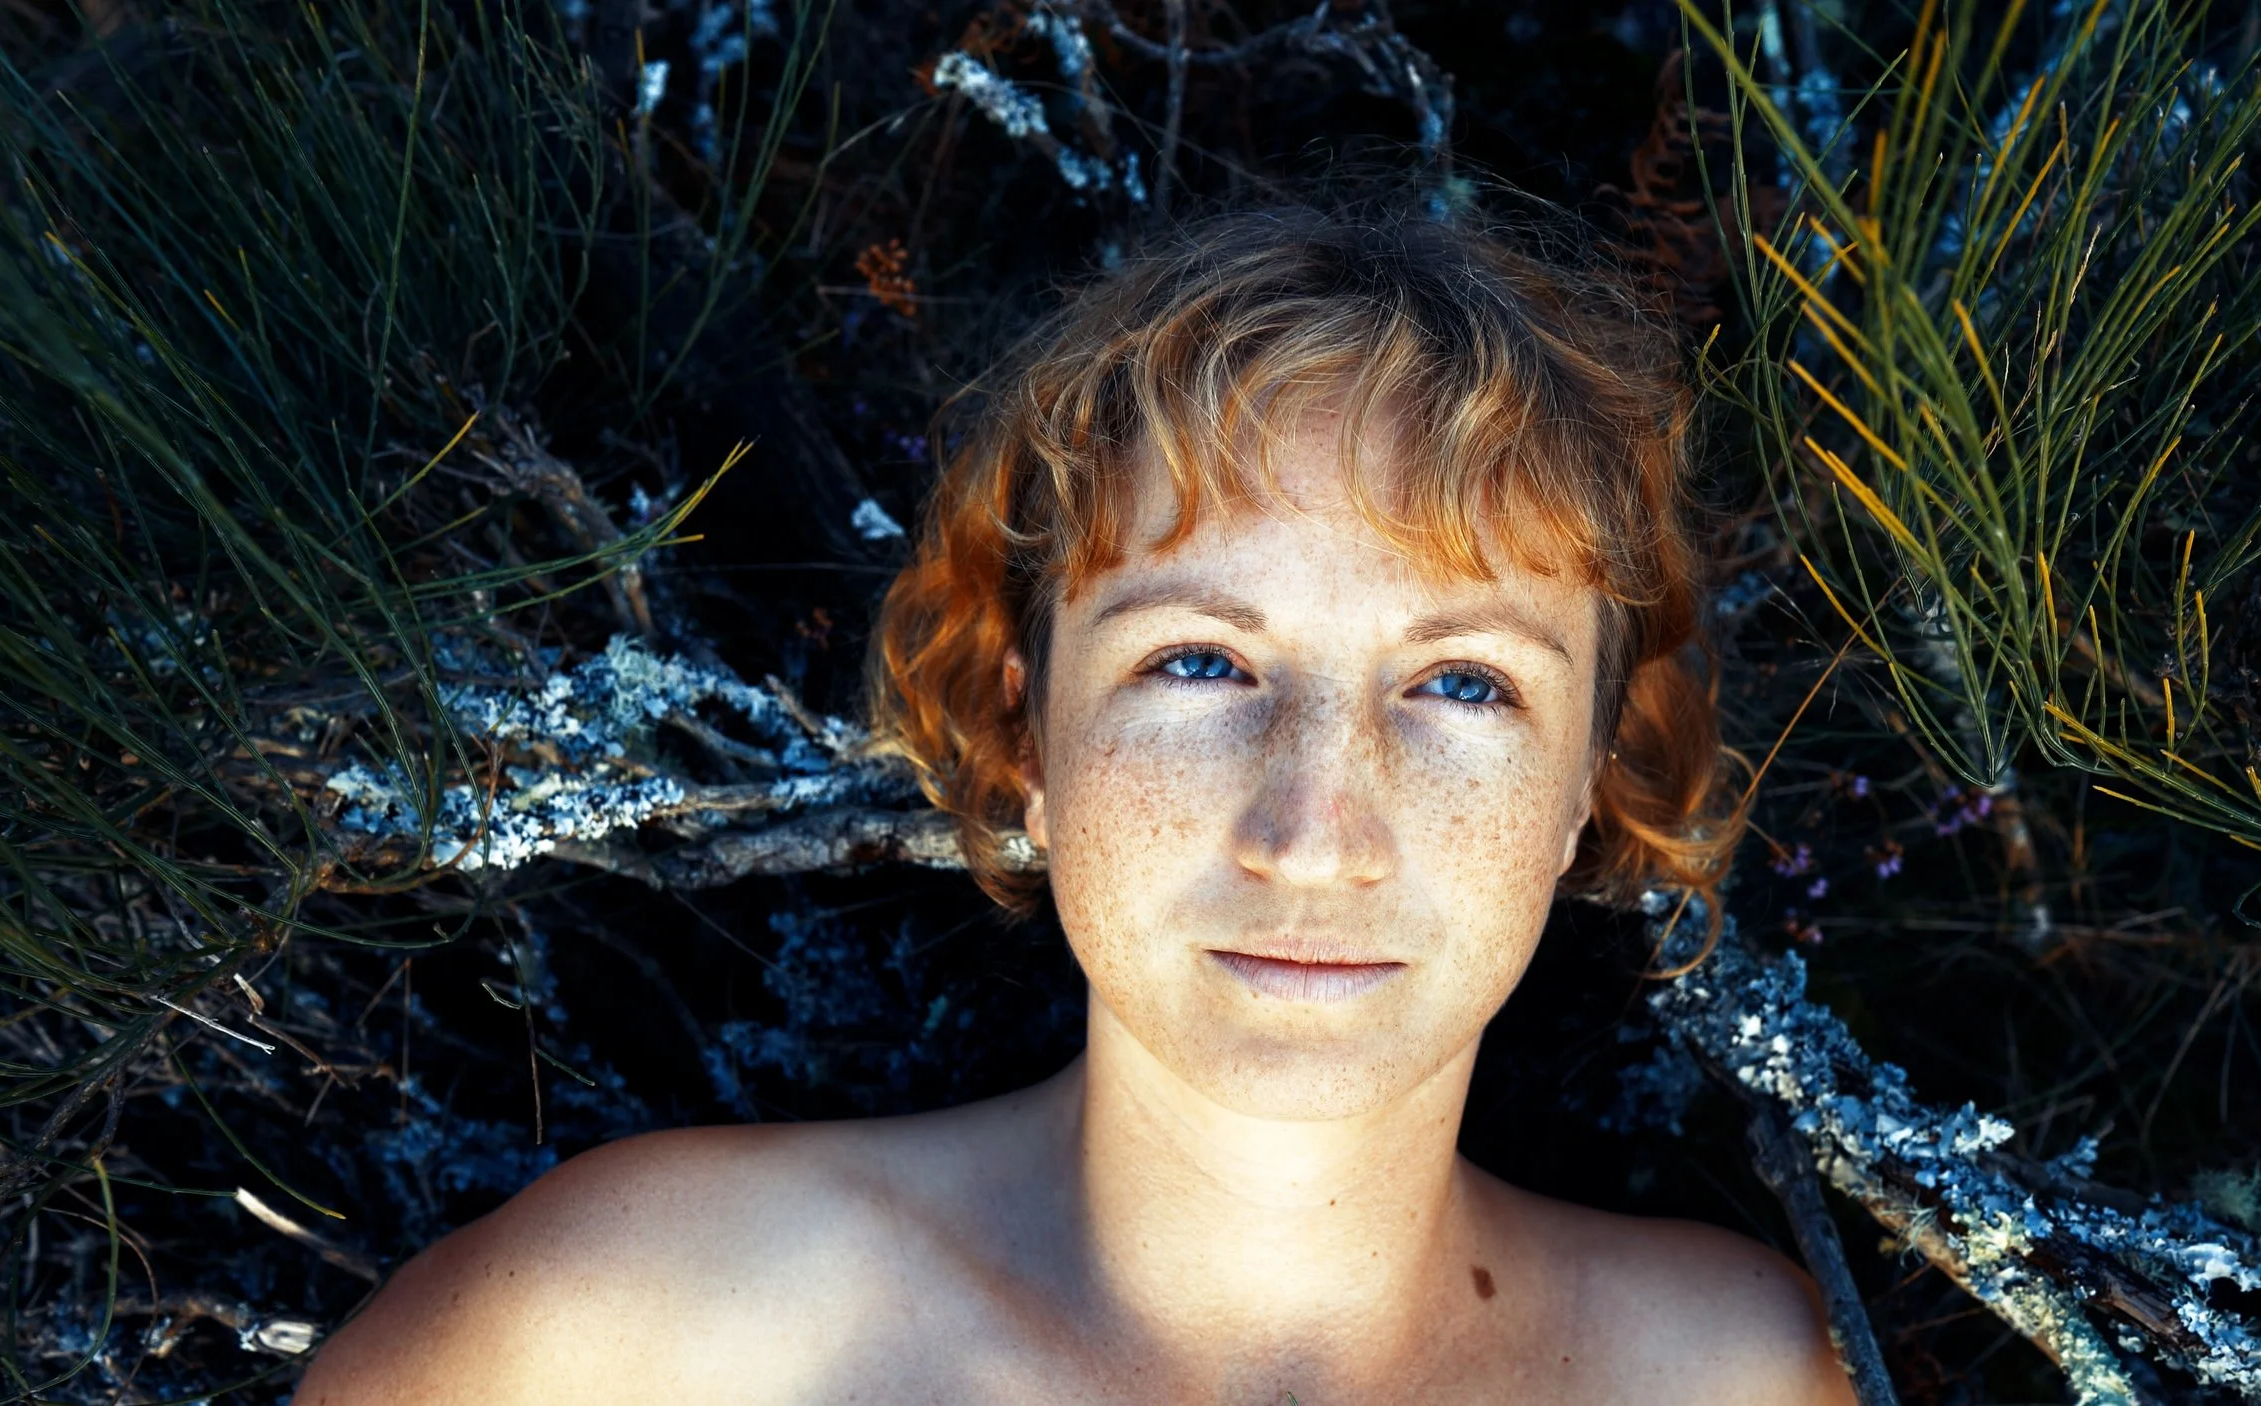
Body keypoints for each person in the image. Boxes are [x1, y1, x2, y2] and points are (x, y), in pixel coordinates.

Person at [296, 205, 1858, 1404]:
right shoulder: (634, 1332)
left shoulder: (1728, 1374)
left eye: (1463, 682)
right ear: (1024, 731)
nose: (1314, 832)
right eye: (1200, 660)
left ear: (1589, 778)